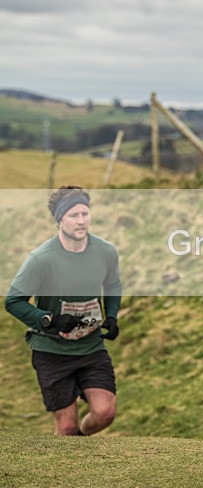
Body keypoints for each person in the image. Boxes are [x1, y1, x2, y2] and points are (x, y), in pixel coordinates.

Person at [5, 186, 122, 436]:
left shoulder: (105, 252)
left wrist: (112, 315)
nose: (81, 221)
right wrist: (50, 319)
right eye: (73, 215)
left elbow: (112, 284)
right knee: (66, 426)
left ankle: (79, 440)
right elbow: (13, 301)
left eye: (85, 214)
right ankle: (70, 459)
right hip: (51, 350)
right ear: (60, 220)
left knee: (105, 413)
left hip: (90, 347)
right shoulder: (41, 259)